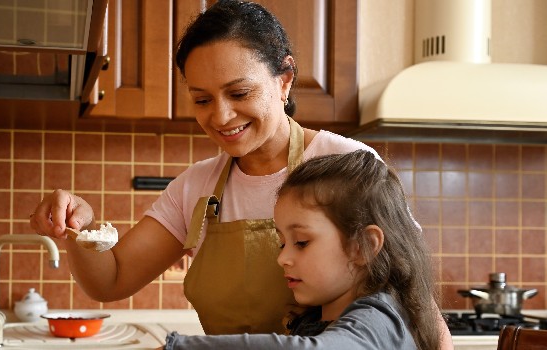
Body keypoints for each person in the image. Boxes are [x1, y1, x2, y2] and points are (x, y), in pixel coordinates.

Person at [30, 0, 451, 347]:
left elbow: (413, 296)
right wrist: (78, 232)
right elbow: (113, 279)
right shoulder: (194, 187)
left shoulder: (343, 164)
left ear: (284, 80)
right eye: (201, 100)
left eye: (239, 92)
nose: (221, 116)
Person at [162, 150, 440, 349]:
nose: (282, 258)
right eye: (282, 243)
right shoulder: (315, 319)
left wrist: (181, 347)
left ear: (363, 246)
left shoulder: (379, 318)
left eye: (302, 243)